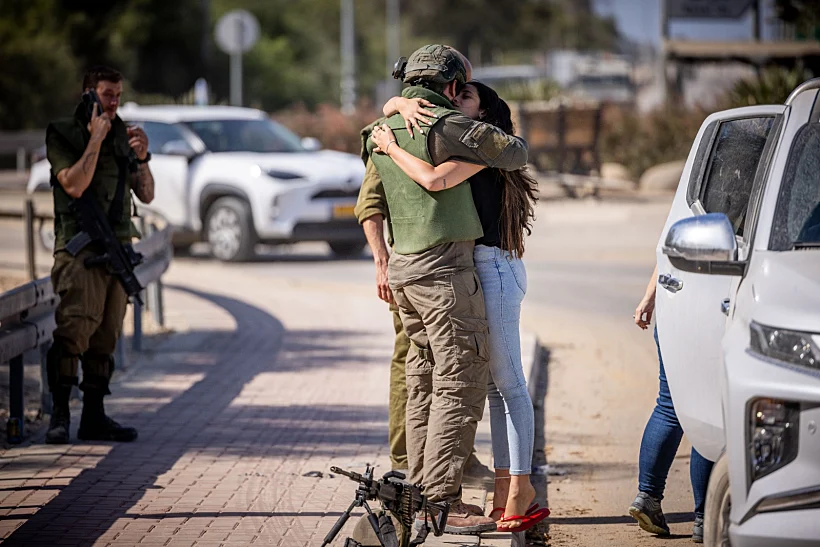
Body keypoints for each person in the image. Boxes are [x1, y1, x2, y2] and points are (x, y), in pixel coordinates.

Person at [360, 44, 528, 535]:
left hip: (406, 269)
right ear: (452, 87)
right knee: (458, 382)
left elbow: (372, 163)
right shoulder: (448, 125)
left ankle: (416, 491)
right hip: (444, 273)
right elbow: (515, 152)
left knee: (423, 381)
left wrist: (393, 106)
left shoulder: (381, 128)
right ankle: (440, 501)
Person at [44, 65, 154, 444]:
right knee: (73, 331)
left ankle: (94, 416)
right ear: (88, 93)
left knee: (106, 337)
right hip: (80, 249)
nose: (114, 102)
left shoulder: (122, 131)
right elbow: (73, 185)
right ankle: (59, 415)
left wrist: (142, 158)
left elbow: (148, 195)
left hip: (117, 250)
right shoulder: (64, 132)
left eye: (118, 95)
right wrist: (95, 139)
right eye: (107, 94)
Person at [629, 265, 714, 543]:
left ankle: (647, 497)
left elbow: (665, 250)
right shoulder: (737, 218)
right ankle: (705, 517)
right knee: (710, 413)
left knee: (669, 405)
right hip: (713, 310)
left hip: (673, 305)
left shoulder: (683, 218)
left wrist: (649, 296)